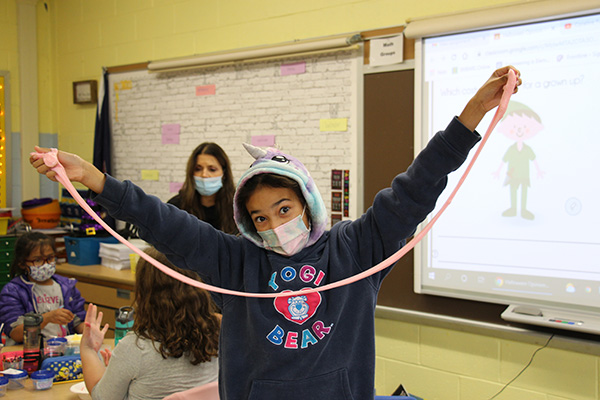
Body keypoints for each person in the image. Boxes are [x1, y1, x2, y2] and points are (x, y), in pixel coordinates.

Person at [32, 66, 521, 400]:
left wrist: (470, 117)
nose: (273, 225)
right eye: (260, 218)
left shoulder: (356, 248)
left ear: (308, 203)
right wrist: (96, 180)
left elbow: (415, 188)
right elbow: (168, 224)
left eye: (283, 209)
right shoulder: (237, 261)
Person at [80, 247, 220, 399]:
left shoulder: (135, 347)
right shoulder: (219, 330)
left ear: (144, 294)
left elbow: (102, 397)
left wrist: (88, 350)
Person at [0, 232, 85, 344]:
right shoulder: (13, 291)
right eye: (38, 260)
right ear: (22, 263)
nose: (46, 265)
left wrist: (89, 331)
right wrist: (47, 318)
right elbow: (16, 333)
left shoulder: (66, 286)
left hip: (62, 350)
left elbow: (78, 322)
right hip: (27, 352)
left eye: (50, 258)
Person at [168, 142, 238, 234]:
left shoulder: (238, 207)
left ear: (224, 174)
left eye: (212, 169)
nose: (204, 175)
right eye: (198, 169)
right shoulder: (176, 206)